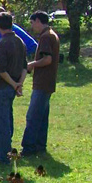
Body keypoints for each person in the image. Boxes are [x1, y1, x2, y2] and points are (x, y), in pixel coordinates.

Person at [0, 12, 27, 164]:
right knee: (3, 119)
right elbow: (24, 67)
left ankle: (3, 157)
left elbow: (1, 70)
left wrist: (14, 84)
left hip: (1, 87)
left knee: (2, 124)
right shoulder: (20, 41)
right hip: (12, 87)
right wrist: (19, 84)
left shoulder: (1, 43)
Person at [0, 6, 37, 117]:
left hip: (6, 77)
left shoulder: (14, 32)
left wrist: (16, 57)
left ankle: (3, 133)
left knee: (3, 111)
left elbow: (32, 45)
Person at [22, 11, 60, 156]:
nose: (32, 27)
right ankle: (40, 145)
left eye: (32, 23)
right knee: (42, 116)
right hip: (48, 81)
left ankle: (29, 148)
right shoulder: (51, 34)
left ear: (38, 21)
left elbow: (47, 59)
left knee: (32, 115)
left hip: (43, 82)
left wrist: (31, 65)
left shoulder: (45, 37)